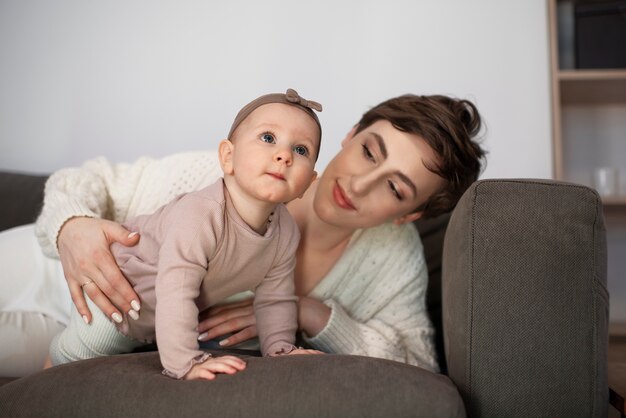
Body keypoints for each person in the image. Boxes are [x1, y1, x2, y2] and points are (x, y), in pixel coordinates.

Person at [0, 92, 486, 377]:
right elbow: (88, 181)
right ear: (352, 132)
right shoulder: (225, 180)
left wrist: (309, 314)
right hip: (48, 272)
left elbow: (419, 367)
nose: (358, 185)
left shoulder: (392, 257)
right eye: (370, 152)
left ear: (409, 215)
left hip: (106, 331)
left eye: (395, 189)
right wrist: (72, 227)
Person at [45, 89, 324, 380]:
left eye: (301, 150)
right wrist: (186, 362)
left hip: (150, 322)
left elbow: (275, 298)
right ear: (228, 156)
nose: (284, 156)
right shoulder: (201, 214)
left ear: (309, 182)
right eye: (268, 138)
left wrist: (281, 349)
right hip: (108, 298)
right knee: (68, 362)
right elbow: (177, 288)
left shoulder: (286, 233)